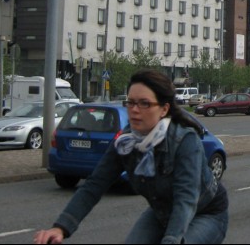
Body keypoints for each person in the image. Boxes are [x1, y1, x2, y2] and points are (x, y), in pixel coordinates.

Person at [33, 70, 228, 244]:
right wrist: (61, 228)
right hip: (162, 213)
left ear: (164, 109)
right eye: (131, 102)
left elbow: (186, 199)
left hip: (206, 213)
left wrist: (171, 240)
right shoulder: (126, 142)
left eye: (144, 103)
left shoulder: (185, 141)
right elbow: (94, 185)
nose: (135, 109)